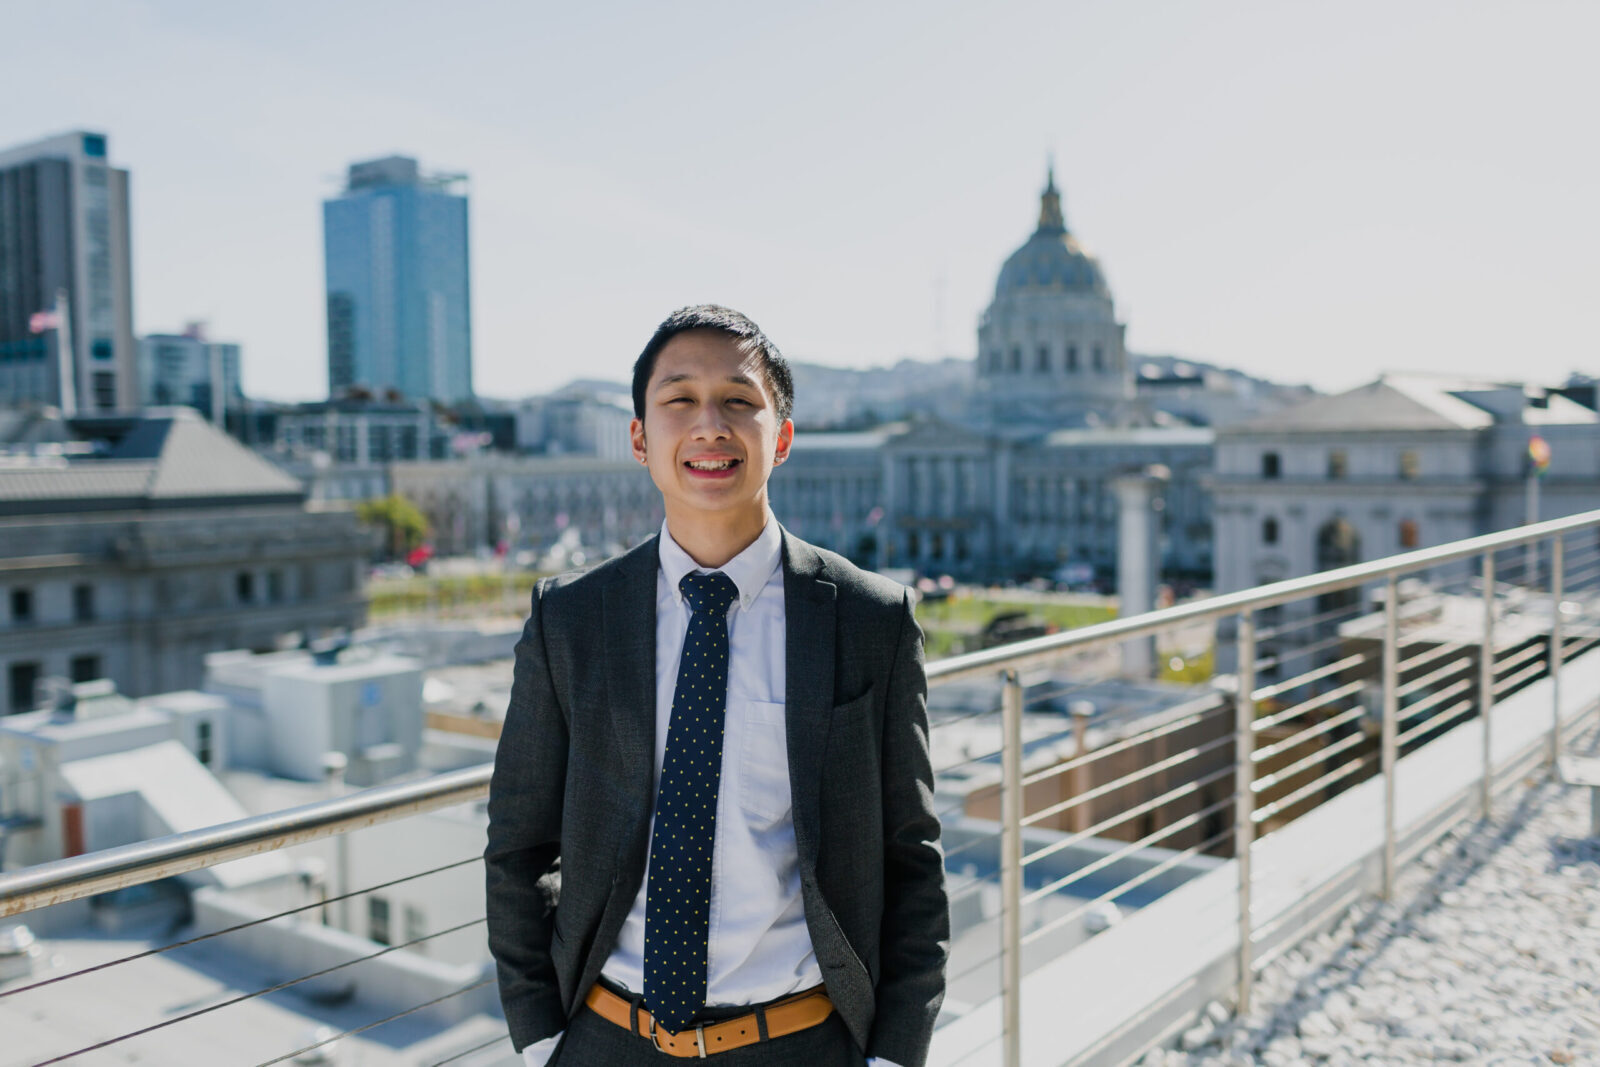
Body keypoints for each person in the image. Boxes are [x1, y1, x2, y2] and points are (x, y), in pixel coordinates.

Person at [485, 305, 948, 1065]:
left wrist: (895, 1052)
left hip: (801, 1040)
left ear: (783, 437)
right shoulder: (569, 619)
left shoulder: (872, 620)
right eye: (679, 401)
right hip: (607, 1039)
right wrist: (540, 1038)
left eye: (739, 400)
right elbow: (518, 843)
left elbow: (911, 853)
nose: (710, 425)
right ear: (639, 437)